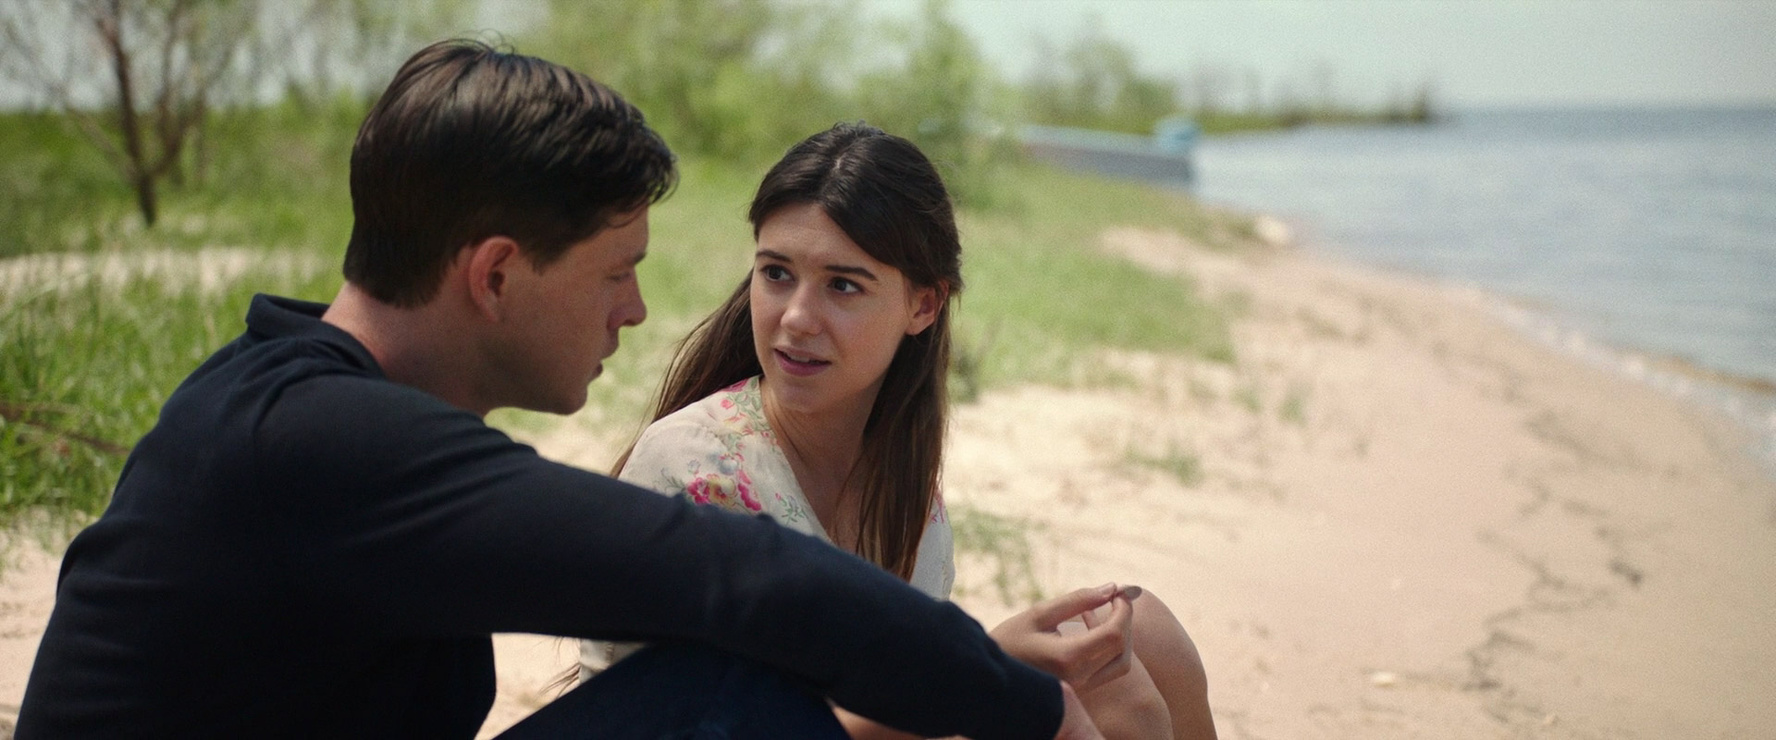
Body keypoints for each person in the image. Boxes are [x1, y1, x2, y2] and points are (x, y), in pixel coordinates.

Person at [15, 40, 1104, 740]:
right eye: (614, 273)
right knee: (735, 702)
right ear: (496, 276)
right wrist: (1031, 705)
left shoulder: (307, 403)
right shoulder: (325, 438)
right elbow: (732, 576)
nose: (634, 311)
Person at [580, 123, 1216, 739]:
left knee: (1143, 629)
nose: (796, 317)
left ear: (923, 305)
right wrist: (986, 666)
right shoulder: (697, 472)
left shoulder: (896, 470)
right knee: (1108, 696)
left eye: (842, 285)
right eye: (776, 273)